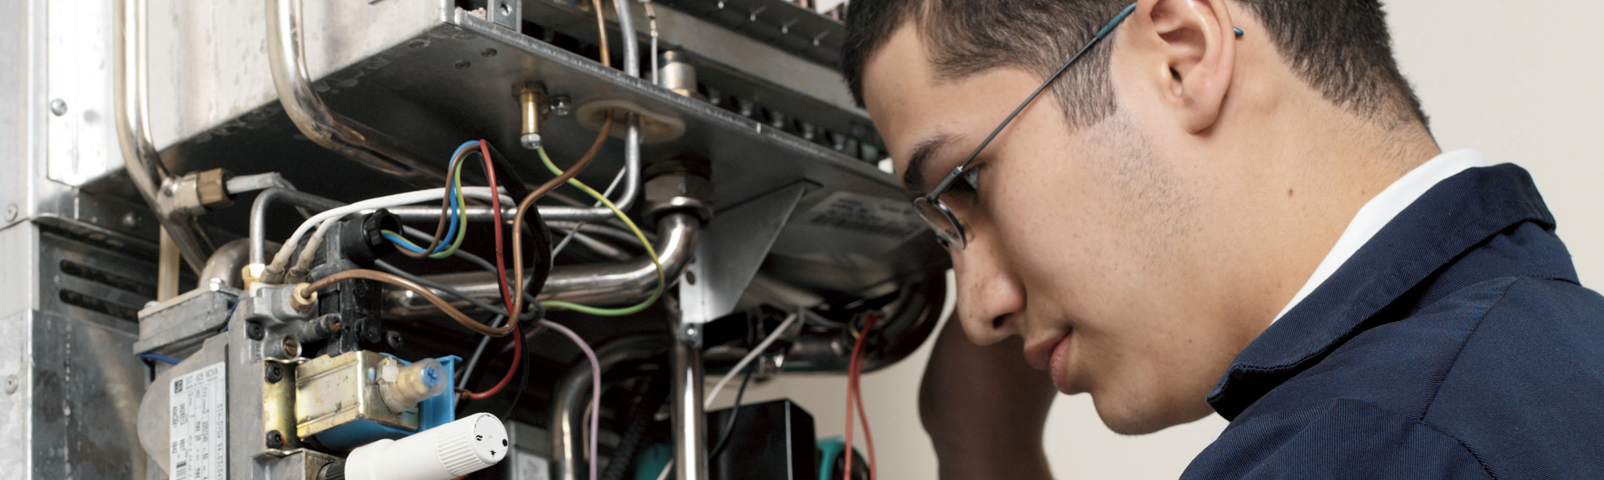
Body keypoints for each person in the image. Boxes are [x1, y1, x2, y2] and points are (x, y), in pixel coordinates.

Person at [839, 0, 1604, 478]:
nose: (978, 310)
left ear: (1182, 55)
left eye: (965, 184)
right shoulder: (1559, 350)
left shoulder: (1363, 446)